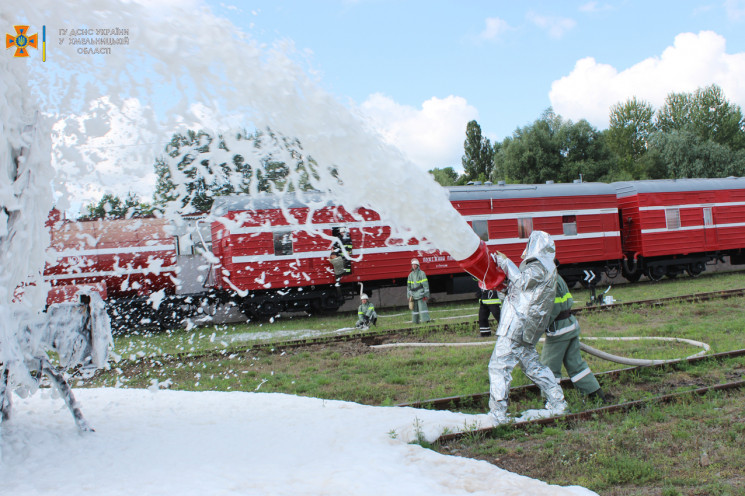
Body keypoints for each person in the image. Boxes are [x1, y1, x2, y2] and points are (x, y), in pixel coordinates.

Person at [487, 230, 567, 424]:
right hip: (525, 328)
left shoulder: (539, 267)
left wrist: (505, 263)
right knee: (533, 367)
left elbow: (522, 282)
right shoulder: (546, 269)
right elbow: (523, 291)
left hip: (516, 326)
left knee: (498, 367)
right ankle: (557, 401)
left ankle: (498, 413)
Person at [541, 270, 609, 403]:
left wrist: (538, 327)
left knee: (548, 367)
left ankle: (551, 401)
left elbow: (551, 309)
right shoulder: (555, 276)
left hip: (558, 331)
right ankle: (595, 395)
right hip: (569, 325)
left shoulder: (547, 280)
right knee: (576, 365)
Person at [406, 258, 430, 324]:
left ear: (418, 265)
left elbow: (425, 285)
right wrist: (409, 296)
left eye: (415, 264)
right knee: (414, 310)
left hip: (420, 294)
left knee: (423, 309)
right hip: (413, 295)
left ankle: (426, 320)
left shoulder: (422, 273)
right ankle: (415, 322)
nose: (413, 266)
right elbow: (409, 286)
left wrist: (426, 295)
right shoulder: (410, 275)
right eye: (412, 264)